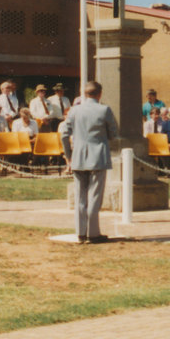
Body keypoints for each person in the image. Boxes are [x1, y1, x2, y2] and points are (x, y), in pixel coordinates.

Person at [62, 81, 118, 244]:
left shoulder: (74, 110)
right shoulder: (104, 110)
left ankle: (80, 232)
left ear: (85, 94)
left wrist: (69, 155)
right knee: (94, 196)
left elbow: (64, 135)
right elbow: (113, 134)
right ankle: (93, 233)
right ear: (99, 94)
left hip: (78, 157)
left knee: (80, 195)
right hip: (98, 156)